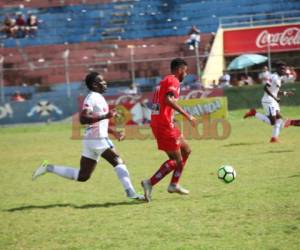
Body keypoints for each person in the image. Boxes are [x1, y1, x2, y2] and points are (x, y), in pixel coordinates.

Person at [32, 72, 144, 201]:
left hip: (91, 139)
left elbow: (98, 122)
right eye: (102, 81)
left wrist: (113, 132)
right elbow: (83, 118)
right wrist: (106, 116)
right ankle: (131, 193)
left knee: (83, 175)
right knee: (118, 161)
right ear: (94, 85)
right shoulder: (92, 98)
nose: (105, 83)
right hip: (97, 139)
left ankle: (49, 168)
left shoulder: (99, 97)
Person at [141, 58, 197, 202]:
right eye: (185, 70)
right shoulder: (174, 81)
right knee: (176, 160)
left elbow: (161, 103)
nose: (186, 73)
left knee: (186, 150)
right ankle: (149, 183)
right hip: (163, 125)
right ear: (179, 70)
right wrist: (188, 115)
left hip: (163, 123)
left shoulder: (164, 81)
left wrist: (170, 116)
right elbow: (168, 100)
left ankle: (174, 184)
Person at [243, 62, 294, 143]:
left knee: (279, 119)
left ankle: (274, 138)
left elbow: (275, 91)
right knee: (272, 122)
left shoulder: (279, 78)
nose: (283, 70)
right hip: (268, 101)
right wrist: (275, 98)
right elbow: (265, 88)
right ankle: (254, 113)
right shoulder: (273, 76)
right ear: (277, 69)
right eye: (281, 68)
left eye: (284, 69)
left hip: (273, 101)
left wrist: (286, 93)